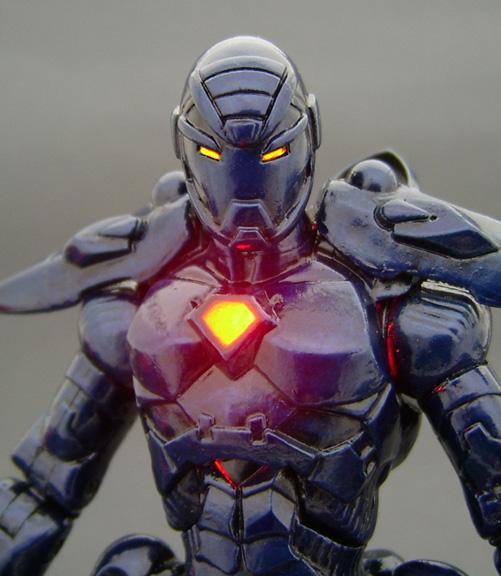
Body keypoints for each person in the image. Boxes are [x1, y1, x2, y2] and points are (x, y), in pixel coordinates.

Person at [0, 36, 500, 576]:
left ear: (308, 135)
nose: (245, 193)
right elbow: (40, 493)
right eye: (214, 154)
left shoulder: (397, 323)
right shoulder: (140, 320)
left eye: (273, 152)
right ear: (185, 147)